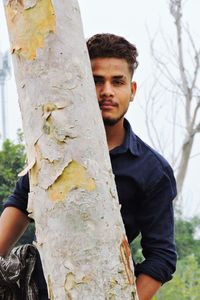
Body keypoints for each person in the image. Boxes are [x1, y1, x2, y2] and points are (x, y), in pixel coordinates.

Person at [0, 33, 177, 300]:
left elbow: (162, 256)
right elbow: (20, 203)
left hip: (102, 290)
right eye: (96, 81)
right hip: (33, 289)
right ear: (80, 85)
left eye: (117, 81)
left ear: (132, 90)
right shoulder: (52, 149)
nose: (107, 91)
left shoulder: (152, 170)